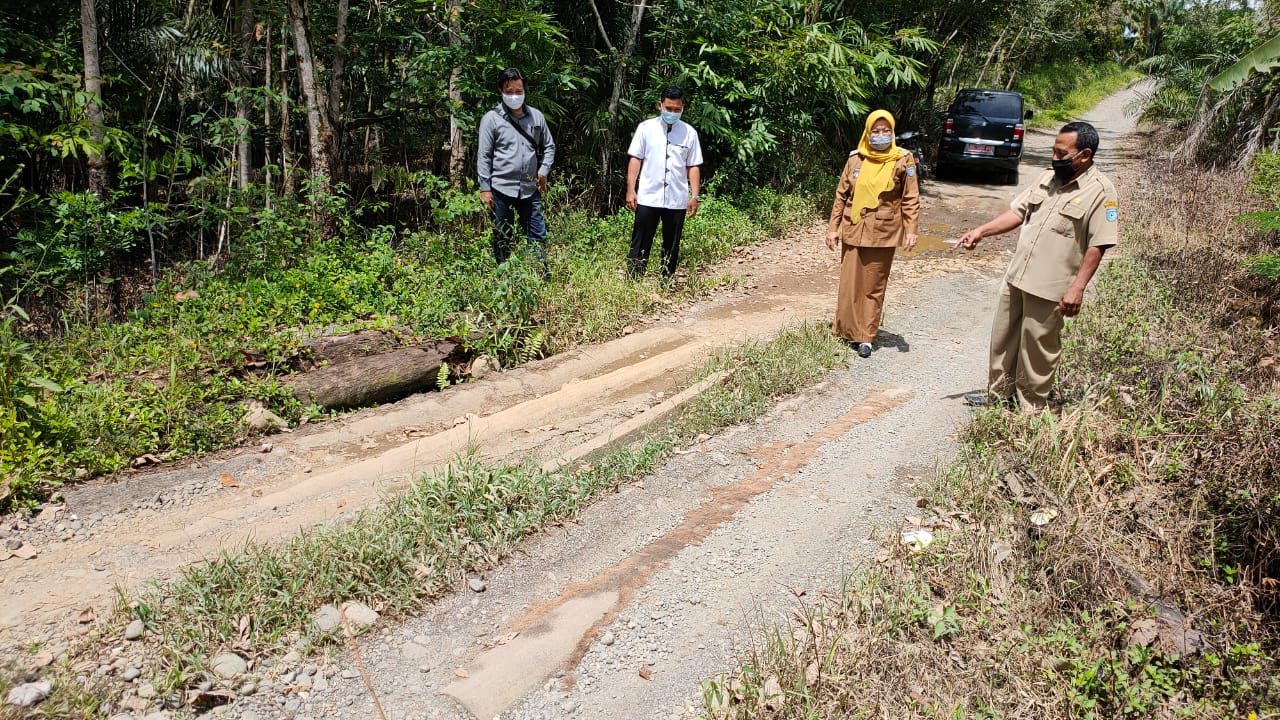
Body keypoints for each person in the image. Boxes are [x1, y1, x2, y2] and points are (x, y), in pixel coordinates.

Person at [955, 121, 1118, 411]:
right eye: (1053, 152)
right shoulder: (1047, 177)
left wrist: (1077, 288)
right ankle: (999, 396)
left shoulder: (1101, 192)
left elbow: (1098, 244)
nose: (1055, 159)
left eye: (1061, 154)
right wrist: (981, 231)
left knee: (1037, 349)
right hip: (1018, 275)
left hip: (1050, 286)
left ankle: (1030, 409)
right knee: (1003, 340)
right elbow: (1017, 213)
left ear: (1084, 155)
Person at [825, 110, 919, 358]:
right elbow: (841, 196)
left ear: (893, 132)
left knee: (873, 285)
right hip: (854, 228)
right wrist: (833, 228)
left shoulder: (903, 160)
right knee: (850, 283)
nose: (880, 136)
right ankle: (845, 330)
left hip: (882, 232)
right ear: (867, 133)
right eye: (875, 131)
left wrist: (911, 229)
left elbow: (910, 198)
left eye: (885, 131)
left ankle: (866, 337)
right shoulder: (856, 159)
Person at [477, 67, 557, 275]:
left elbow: (549, 146)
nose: (515, 95)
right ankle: (504, 276)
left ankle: (539, 274)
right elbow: (484, 155)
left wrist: (543, 171)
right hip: (501, 188)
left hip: (530, 188)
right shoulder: (491, 119)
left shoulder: (536, 117)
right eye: (510, 91)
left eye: (518, 91)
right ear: (501, 91)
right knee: (503, 234)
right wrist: (485, 189)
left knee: (537, 232)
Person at [624, 87, 704, 281]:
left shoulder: (689, 133)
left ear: (683, 108)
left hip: (676, 199)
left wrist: (694, 196)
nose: (672, 113)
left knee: (672, 242)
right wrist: (630, 190)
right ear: (660, 105)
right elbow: (636, 159)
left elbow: (693, 165)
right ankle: (634, 280)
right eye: (668, 108)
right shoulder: (646, 128)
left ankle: (666, 281)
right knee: (641, 240)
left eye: (676, 110)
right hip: (648, 196)